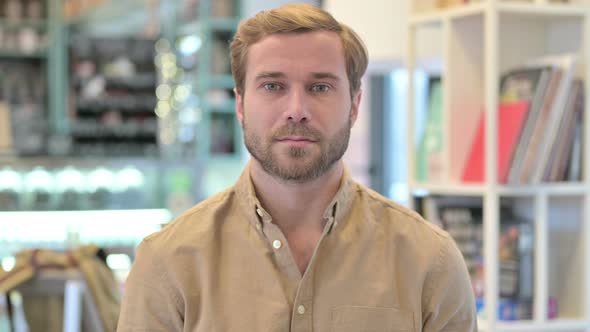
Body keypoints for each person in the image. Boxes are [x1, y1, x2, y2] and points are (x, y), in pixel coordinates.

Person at [117, 3, 477, 331]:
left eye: (320, 87)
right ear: (241, 105)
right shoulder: (167, 264)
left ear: (354, 105)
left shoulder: (430, 261)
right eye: (272, 85)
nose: (296, 109)